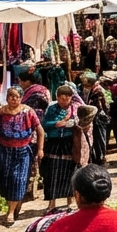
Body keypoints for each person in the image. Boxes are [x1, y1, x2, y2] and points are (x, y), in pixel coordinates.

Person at [0, 87, 44, 226]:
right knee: (5, 180)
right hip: (4, 150)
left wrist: (41, 149)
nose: (13, 99)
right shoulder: (1, 112)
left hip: (22, 151)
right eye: (11, 96)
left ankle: (10, 212)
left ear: (21, 98)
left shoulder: (28, 112)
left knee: (18, 179)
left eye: (17, 96)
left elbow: (40, 131)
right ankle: (14, 204)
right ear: (7, 98)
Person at [40, 85, 80, 213]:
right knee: (52, 172)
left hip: (69, 143)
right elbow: (44, 124)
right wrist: (55, 124)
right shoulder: (52, 109)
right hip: (54, 143)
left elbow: (83, 123)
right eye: (61, 99)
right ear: (57, 98)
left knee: (70, 171)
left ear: (70, 98)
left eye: (66, 98)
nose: (64, 101)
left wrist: (74, 124)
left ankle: (70, 201)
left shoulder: (75, 109)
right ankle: (52, 203)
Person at [79, 73, 111, 165]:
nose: (85, 86)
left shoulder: (97, 91)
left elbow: (98, 107)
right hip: (93, 116)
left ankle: (100, 158)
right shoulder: (89, 89)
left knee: (99, 138)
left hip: (98, 117)